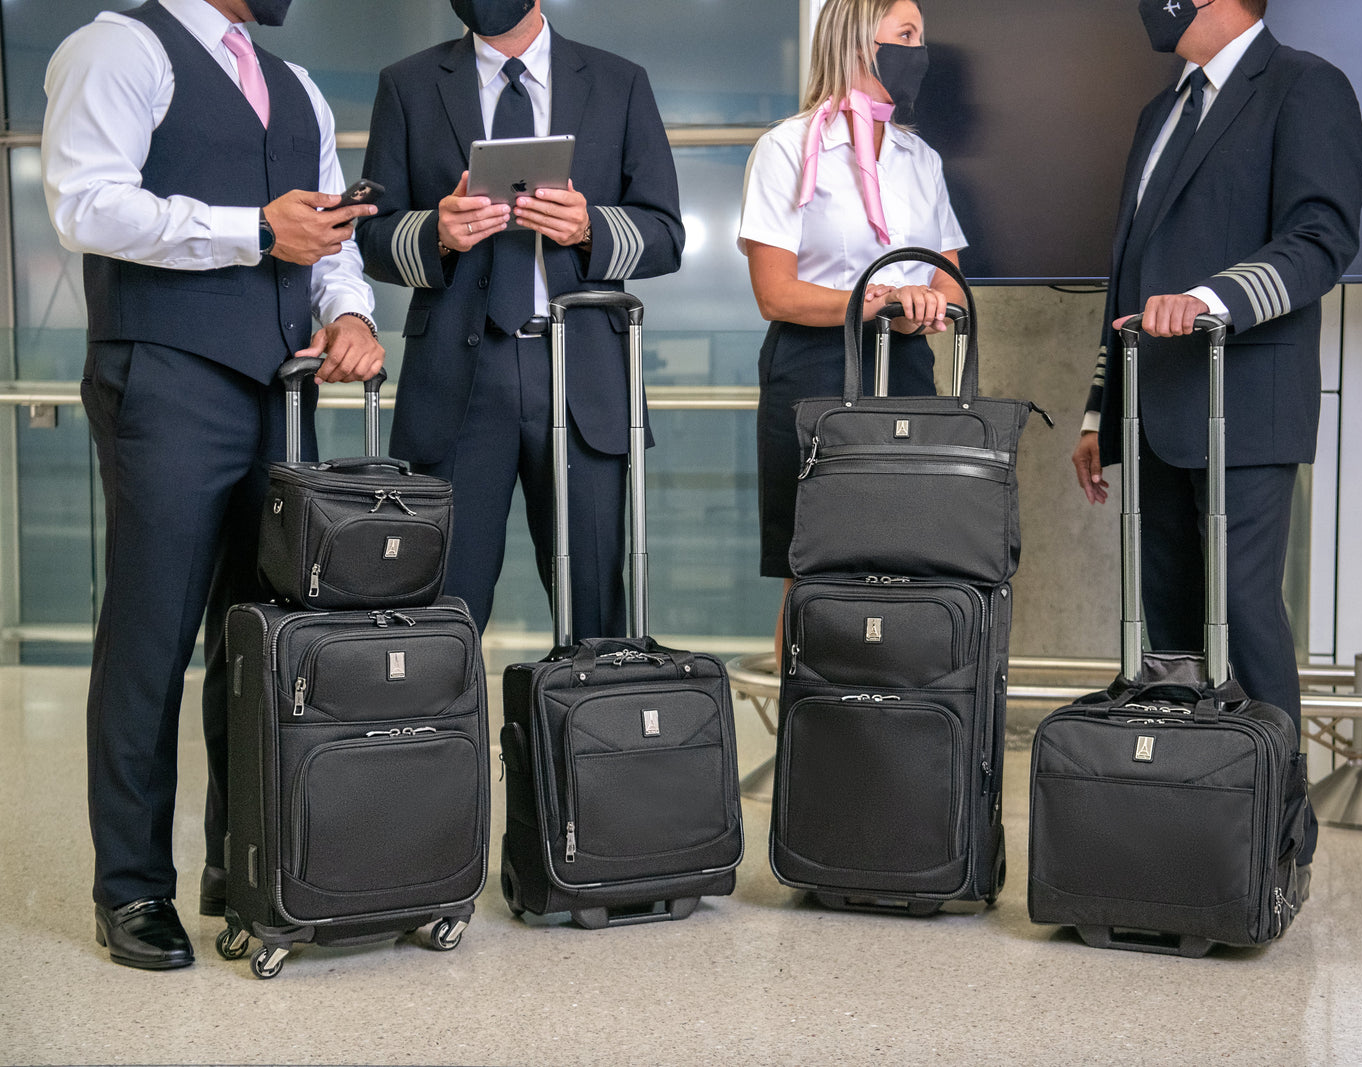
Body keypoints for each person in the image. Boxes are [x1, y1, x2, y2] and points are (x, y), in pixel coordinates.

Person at [42, 0, 383, 969]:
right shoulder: (121, 48)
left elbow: (330, 240)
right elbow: (85, 203)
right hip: (165, 379)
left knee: (256, 641)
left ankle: (241, 860)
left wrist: (351, 314)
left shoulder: (299, 89)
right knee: (151, 638)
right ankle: (132, 885)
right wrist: (249, 232)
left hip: (279, 395)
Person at [1069, 0, 1362, 867]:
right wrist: (1097, 410)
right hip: (1151, 410)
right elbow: (1126, 269)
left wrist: (1209, 301)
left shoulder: (1305, 88)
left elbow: (1321, 238)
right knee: (1169, 631)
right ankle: (1191, 822)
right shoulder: (1160, 112)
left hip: (1246, 406)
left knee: (1241, 614)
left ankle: (1278, 835)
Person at [356, 0, 683, 641]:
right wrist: (437, 233)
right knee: (439, 608)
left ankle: (580, 740)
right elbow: (372, 239)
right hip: (456, 377)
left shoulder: (619, 82)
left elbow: (667, 234)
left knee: (594, 613)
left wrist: (590, 228)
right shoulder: (408, 84)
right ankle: (442, 741)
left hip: (581, 371)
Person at [738, 0, 966, 659]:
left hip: (909, 368)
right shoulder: (786, 148)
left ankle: (887, 726)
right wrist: (875, 298)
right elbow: (773, 292)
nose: (919, 49)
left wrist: (927, 300)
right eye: (906, 35)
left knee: (908, 558)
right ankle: (804, 741)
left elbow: (950, 278)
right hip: (813, 368)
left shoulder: (920, 158)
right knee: (811, 567)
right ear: (858, 42)